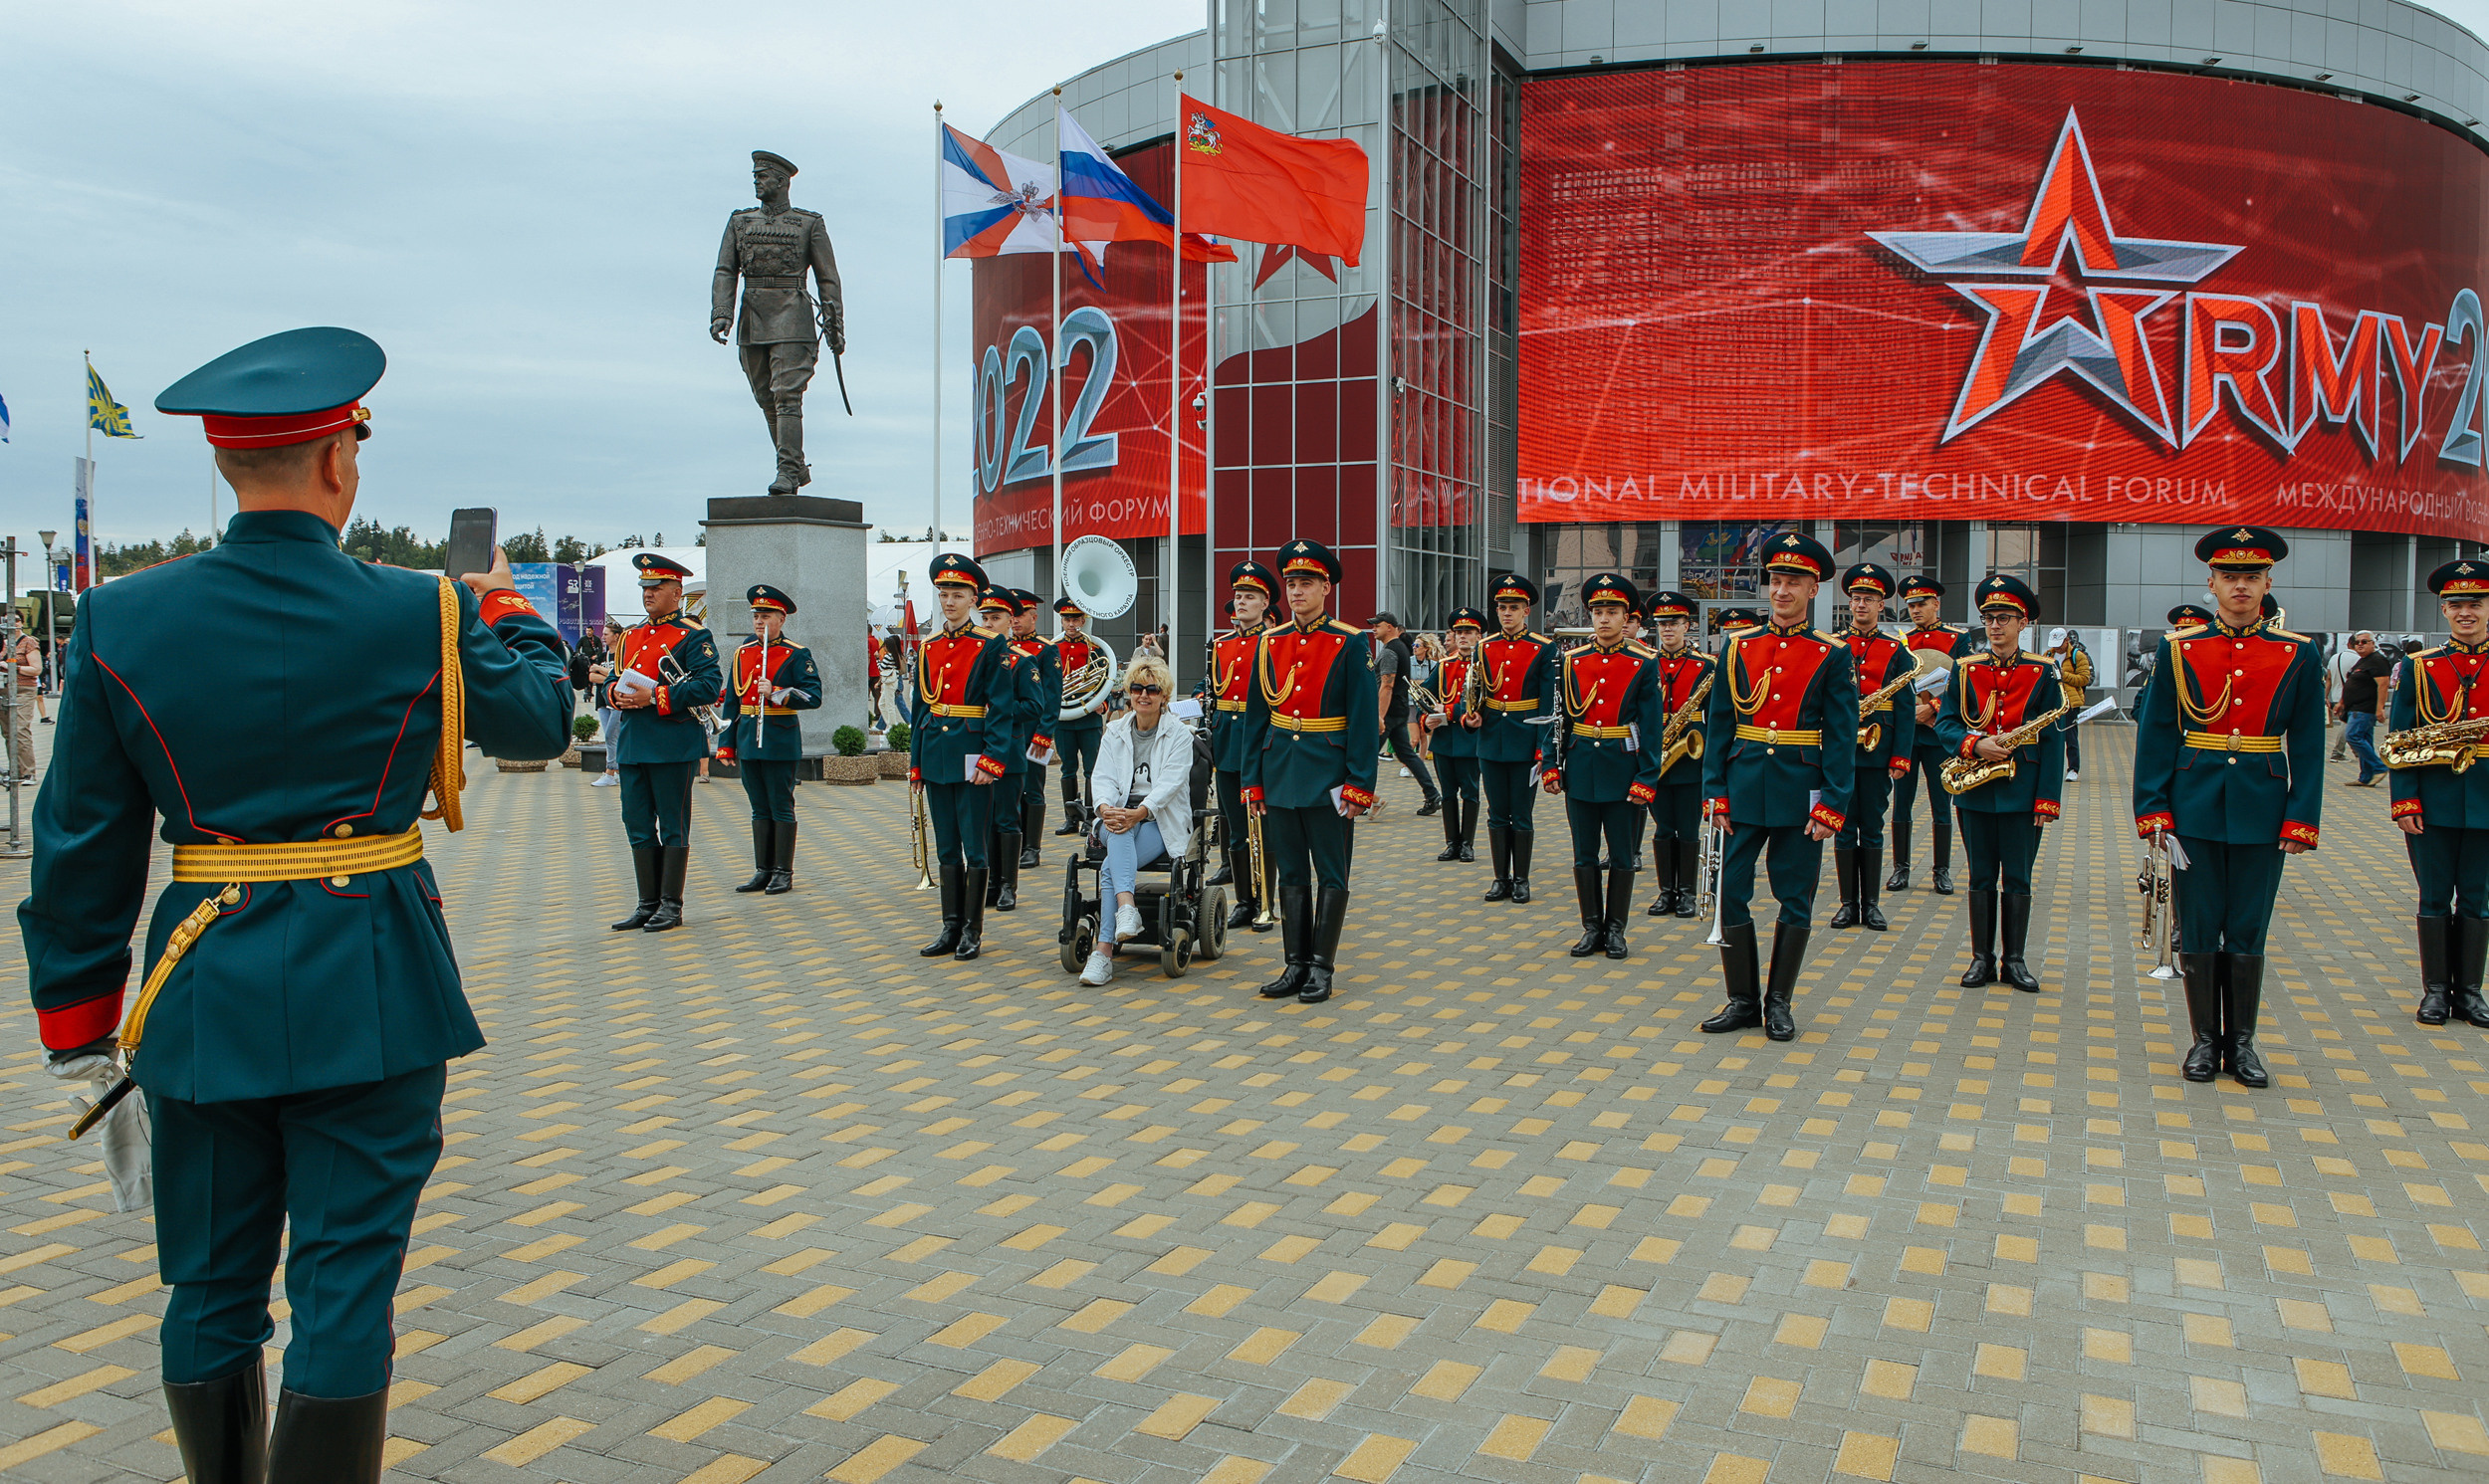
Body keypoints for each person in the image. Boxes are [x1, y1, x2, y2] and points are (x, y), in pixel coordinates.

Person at [21, 326, 572, 1480]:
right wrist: (508, 613)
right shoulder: (417, 607)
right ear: (338, 461)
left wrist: (79, 1030)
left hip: (199, 990)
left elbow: (79, 840)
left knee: (209, 1285)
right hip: (370, 981)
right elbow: (536, 726)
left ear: (227, 467)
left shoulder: (122, 619)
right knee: (343, 1289)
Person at [2133, 526, 2325, 1089]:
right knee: (2197, 927)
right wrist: (2154, 812)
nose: (2240, 586)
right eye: (2229, 576)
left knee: (2247, 929)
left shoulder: (2298, 653)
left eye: (2251, 577)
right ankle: (2202, 1041)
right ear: (2211, 583)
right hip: (2192, 807)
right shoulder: (2180, 649)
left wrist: (2301, 817)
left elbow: (2310, 746)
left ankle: (2240, 1044)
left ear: (2268, 582)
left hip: (2264, 808)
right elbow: (2157, 737)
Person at [1697, 531, 1856, 1042]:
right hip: (1742, 787)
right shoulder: (1740, 645)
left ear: (1814, 590)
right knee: (1730, 894)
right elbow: (1720, 723)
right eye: (1776, 580)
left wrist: (1833, 802)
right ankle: (1742, 1000)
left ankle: (1779, 1002)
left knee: (1796, 898)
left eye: (1794, 582)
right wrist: (1714, 789)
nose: (1782, 590)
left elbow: (1841, 735)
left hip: (1799, 790)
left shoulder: (1831, 653)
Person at [1242, 540, 1379, 1004]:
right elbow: (1256, 718)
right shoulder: (1270, 641)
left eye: (1306, 583)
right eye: (1292, 583)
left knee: (1332, 873)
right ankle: (1294, 963)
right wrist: (1251, 780)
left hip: (1328, 774)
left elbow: (1362, 720)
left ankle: (1321, 966)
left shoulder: (1349, 641)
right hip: (1280, 770)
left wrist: (1361, 784)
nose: (1296, 591)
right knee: (1292, 872)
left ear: (1326, 587)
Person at [1938, 576, 2066, 992]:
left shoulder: (2044, 671)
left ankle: (2014, 960)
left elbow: (2054, 739)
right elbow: (1947, 724)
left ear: (2022, 622)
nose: (1995, 626)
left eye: (2004, 618)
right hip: (1975, 788)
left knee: (2018, 879)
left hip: (2023, 791)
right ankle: (1981, 959)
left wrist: (2047, 800)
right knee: (1979, 877)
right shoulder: (1965, 668)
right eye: (1989, 618)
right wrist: (1976, 744)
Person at [2388, 558, 2489, 1028]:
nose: (2466, 613)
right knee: (2433, 897)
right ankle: (2435, 992)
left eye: (2476, 604)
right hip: (2433, 798)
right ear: (2444, 610)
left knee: (2477, 899)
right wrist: (2404, 801)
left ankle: (2470, 992)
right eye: (2456, 605)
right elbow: (2401, 739)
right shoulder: (2418, 667)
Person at [597, 553, 722, 932]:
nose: (648, 595)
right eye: (645, 589)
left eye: (656, 588)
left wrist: (654, 697)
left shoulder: (692, 633)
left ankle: (671, 904)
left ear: (677, 591)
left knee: (672, 825)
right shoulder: (632, 636)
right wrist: (613, 694)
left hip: (671, 743)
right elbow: (613, 680)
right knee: (635, 822)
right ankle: (646, 902)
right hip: (634, 744)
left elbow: (708, 685)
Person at [1544, 574, 1664, 958]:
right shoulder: (1571, 660)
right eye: (1598, 611)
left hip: (1622, 769)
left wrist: (1646, 777)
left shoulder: (1643, 663)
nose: (1604, 619)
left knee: (1623, 856)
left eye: (1612, 611)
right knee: (1583, 854)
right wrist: (1551, 764)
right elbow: (1557, 718)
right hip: (1580, 767)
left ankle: (1616, 929)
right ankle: (1591, 926)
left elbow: (1651, 727)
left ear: (1626, 616)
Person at [910, 554, 1013, 959]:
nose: (949, 601)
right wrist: (915, 762)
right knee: (946, 847)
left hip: (973, 754)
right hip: (936, 754)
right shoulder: (929, 646)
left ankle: (972, 930)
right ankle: (949, 927)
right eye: (943, 594)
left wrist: (992, 760)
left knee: (975, 846)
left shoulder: (990, 644)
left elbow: (1002, 708)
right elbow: (921, 709)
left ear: (973, 599)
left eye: (957, 594)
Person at [1078, 653, 1197, 985]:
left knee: (1109, 868)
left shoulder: (1180, 735)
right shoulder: (1114, 731)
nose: (1143, 695)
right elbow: (1099, 779)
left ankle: (1103, 953)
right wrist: (1104, 808)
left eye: (1152, 689)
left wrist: (1140, 812)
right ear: (1128, 692)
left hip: (1158, 819)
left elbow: (1171, 784)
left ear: (1164, 696)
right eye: (1136, 688)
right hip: (1115, 816)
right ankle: (1126, 908)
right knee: (1117, 831)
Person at [714, 585, 821, 894]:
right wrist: (726, 743)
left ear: (782, 618)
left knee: (780, 805)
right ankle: (762, 869)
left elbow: (813, 696)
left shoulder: (796, 653)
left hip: (779, 738)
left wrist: (777, 693)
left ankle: (782, 871)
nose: (760, 622)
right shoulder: (743, 653)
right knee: (758, 807)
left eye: (766, 616)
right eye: (756, 616)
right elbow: (733, 701)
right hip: (748, 737)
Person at [1829, 564, 1917, 932]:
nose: (1861, 604)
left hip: (1879, 750)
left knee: (1874, 826)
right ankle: (1848, 904)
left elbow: (1907, 708)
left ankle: (1872, 904)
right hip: (1841, 749)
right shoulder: (1833, 645)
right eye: (1856, 598)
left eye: (1869, 599)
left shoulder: (1896, 649)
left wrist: (1901, 755)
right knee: (1844, 826)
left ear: (1882, 605)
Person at [1885, 575, 1976, 896]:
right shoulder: (1901, 641)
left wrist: (1934, 707)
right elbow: (1894, 687)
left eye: (1921, 603)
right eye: (1910, 604)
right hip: (1907, 735)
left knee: (1941, 804)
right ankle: (1901, 869)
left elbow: (1966, 686)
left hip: (1939, 734)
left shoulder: (1958, 639)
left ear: (1936, 604)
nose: (1915, 609)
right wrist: (1908, 714)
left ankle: (1941, 871)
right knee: (1902, 804)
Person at [1474, 574, 1559, 903]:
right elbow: (1478, 694)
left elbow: (1548, 705)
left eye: (1514, 607)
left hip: (1525, 742)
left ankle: (1521, 879)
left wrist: (1543, 747)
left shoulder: (1542, 648)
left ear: (1527, 610)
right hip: (1491, 740)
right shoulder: (1484, 647)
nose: (1507, 613)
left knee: (1521, 813)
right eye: (1502, 607)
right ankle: (1500, 878)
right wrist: (1473, 716)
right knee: (1496, 812)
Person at [1210, 562, 1277, 930]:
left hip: (1258, 739)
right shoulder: (1222, 645)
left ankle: (1265, 899)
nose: (1241, 602)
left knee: (1260, 827)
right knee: (1235, 828)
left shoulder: (1274, 641)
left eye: (1250, 596)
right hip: (1226, 738)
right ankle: (1244, 901)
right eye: (1238, 596)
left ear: (1265, 602)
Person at [1643, 590, 1713, 918]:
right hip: (1656, 759)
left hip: (1690, 759)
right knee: (1661, 828)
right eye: (1662, 624)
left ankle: (1686, 892)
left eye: (1674, 623)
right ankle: (1665, 892)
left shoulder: (1706, 667)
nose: (1667, 630)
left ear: (1688, 625)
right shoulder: (1646, 665)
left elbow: (1718, 719)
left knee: (1687, 828)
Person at [974, 586, 1042, 912]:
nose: (989, 623)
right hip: (974, 750)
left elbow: (1034, 706)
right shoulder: (972, 658)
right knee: (981, 820)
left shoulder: (1021, 661)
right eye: (985, 617)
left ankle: (1007, 886)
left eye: (996, 618)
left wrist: (1000, 708)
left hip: (1009, 751)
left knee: (1005, 818)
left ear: (1009, 621)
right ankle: (986, 881)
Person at [1426, 609, 1486, 862]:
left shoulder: (1485, 666)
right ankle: (1452, 842)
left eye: (1468, 632)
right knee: (1448, 793)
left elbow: (1482, 702)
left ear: (1478, 635)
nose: (1462, 637)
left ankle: (1468, 844)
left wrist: (1448, 711)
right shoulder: (1444, 666)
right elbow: (1425, 698)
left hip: (1470, 740)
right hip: (1443, 741)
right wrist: (1427, 717)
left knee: (1470, 793)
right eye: (1459, 632)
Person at [1369, 611, 1441, 815]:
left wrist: (1379, 716)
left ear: (1389, 627)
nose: (1373, 628)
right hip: (1398, 710)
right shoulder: (1399, 648)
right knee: (1407, 754)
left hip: (1389, 712)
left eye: (1377, 625)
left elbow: (1387, 685)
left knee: (1365, 755)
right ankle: (1432, 794)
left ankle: (1365, 798)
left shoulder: (1392, 650)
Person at [1052, 598, 1112, 836]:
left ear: (1083, 620)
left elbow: (1108, 681)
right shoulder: (1053, 648)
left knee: (1092, 770)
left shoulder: (1096, 649)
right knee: (1067, 768)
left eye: (1076, 619)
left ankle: (1089, 817)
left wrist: (1103, 704)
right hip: (1064, 717)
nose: (1071, 624)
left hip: (1089, 717)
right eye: (1067, 619)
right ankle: (1070, 818)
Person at [1010, 589, 1057, 868]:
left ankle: (1032, 847)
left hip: (1033, 730)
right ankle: (1014, 840)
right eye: (1012, 615)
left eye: (1020, 615)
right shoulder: (1001, 647)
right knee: (1011, 788)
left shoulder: (1045, 649)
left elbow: (1052, 697)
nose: (1015, 620)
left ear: (1033, 616)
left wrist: (1044, 733)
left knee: (1033, 788)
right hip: (1010, 729)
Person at [2339, 631, 2392, 786]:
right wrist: (2342, 702)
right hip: (2355, 708)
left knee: (2353, 736)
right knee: (2365, 740)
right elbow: (2352, 683)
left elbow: (2382, 685)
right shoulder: (2363, 661)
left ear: (2372, 643)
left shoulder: (2377, 660)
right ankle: (2366, 777)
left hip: (2364, 708)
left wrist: (2380, 708)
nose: (2360, 645)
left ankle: (2379, 767)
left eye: (2364, 642)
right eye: (2357, 642)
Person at [2045, 625, 2093, 780]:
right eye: (2054, 645)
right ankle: (2052, 767)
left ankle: (2073, 768)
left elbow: (2085, 679)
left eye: (2059, 645)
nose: (2056, 648)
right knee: (2050, 735)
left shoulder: (2078, 656)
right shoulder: (2048, 654)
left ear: (2066, 641)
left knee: (2070, 736)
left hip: (2070, 702)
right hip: (2052, 701)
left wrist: (2063, 675)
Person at [586, 617, 626, 786]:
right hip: (603, 701)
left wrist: (602, 672)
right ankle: (617, 772)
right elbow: (591, 676)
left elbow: (622, 676)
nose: (602, 637)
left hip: (618, 702)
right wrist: (609, 676)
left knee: (611, 736)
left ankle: (610, 771)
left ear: (616, 636)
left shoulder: (624, 655)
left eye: (606, 634)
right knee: (611, 738)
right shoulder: (603, 655)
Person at [2325, 629, 2366, 761]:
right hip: (2352, 697)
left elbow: (2329, 679)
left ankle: (2356, 752)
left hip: (2336, 697)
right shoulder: (2358, 659)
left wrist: (2325, 696)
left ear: (2348, 644)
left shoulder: (2334, 657)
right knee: (2347, 725)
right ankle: (2338, 752)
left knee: (2349, 724)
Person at [8, 629, 37, 785]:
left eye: (16, 619)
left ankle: (28, 773)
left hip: (23, 690)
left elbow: (36, 669)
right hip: (4, 690)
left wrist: (13, 667)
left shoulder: (28, 642)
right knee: (8, 732)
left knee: (20, 729)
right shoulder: (3, 643)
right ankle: (15, 771)